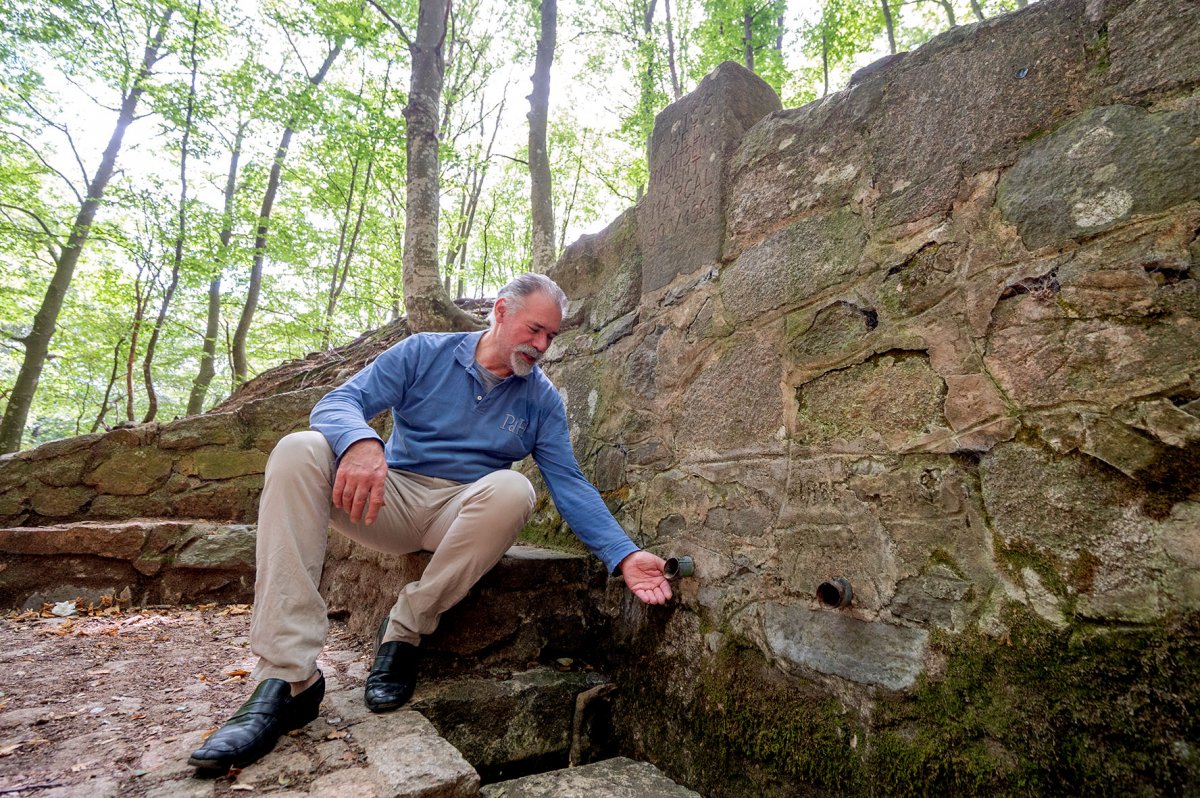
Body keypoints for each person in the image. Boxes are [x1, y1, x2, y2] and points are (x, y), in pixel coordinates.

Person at [188, 273, 672, 772]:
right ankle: (287, 678)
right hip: (389, 499)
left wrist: (625, 554)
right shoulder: (423, 353)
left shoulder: (540, 399)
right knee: (298, 450)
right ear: (500, 312)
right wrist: (361, 442)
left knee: (514, 488)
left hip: (461, 512)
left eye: (551, 336)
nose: (542, 345)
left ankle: (404, 629)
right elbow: (336, 403)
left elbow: (569, 483)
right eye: (534, 329)